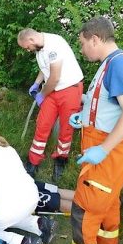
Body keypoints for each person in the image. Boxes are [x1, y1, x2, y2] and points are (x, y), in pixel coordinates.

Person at [61, 16, 123, 244]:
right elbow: (107, 105)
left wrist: (104, 150)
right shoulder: (110, 63)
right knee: (108, 201)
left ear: (95, 39)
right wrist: (83, 118)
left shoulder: (120, 65)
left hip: (110, 152)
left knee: (85, 205)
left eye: (83, 43)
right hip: (108, 146)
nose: (82, 49)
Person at [17, 28, 84, 182]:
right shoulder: (39, 48)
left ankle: (61, 159)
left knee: (66, 128)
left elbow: (54, 77)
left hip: (69, 89)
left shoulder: (54, 43)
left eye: (27, 47)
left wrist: (41, 95)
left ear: (32, 40)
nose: (27, 50)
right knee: (42, 124)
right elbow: (45, 69)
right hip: (52, 89)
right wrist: (36, 83)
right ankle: (33, 161)